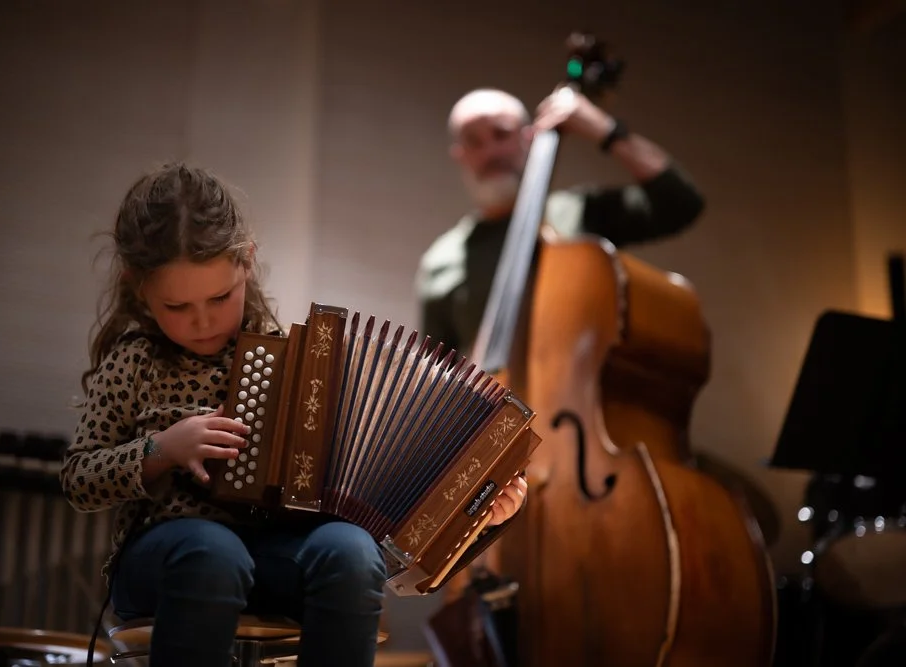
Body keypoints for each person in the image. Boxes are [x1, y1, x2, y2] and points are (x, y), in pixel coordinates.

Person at [59, 162, 527, 667]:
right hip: (165, 559)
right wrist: (161, 449)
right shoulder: (134, 359)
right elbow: (79, 480)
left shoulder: (292, 363)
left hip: (269, 555)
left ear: (247, 262)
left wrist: (477, 514)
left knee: (350, 551)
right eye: (177, 306)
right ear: (138, 286)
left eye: (220, 297)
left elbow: (363, 510)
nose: (202, 321)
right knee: (214, 553)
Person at [417, 87, 706, 355]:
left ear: (528, 137)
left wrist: (606, 131)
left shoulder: (578, 211)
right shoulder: (441, 261)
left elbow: (680, 204)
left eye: (501, 134)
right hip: (496, 412)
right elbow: (437, 376)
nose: (491, 152)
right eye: (474, 141)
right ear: (459, 155)